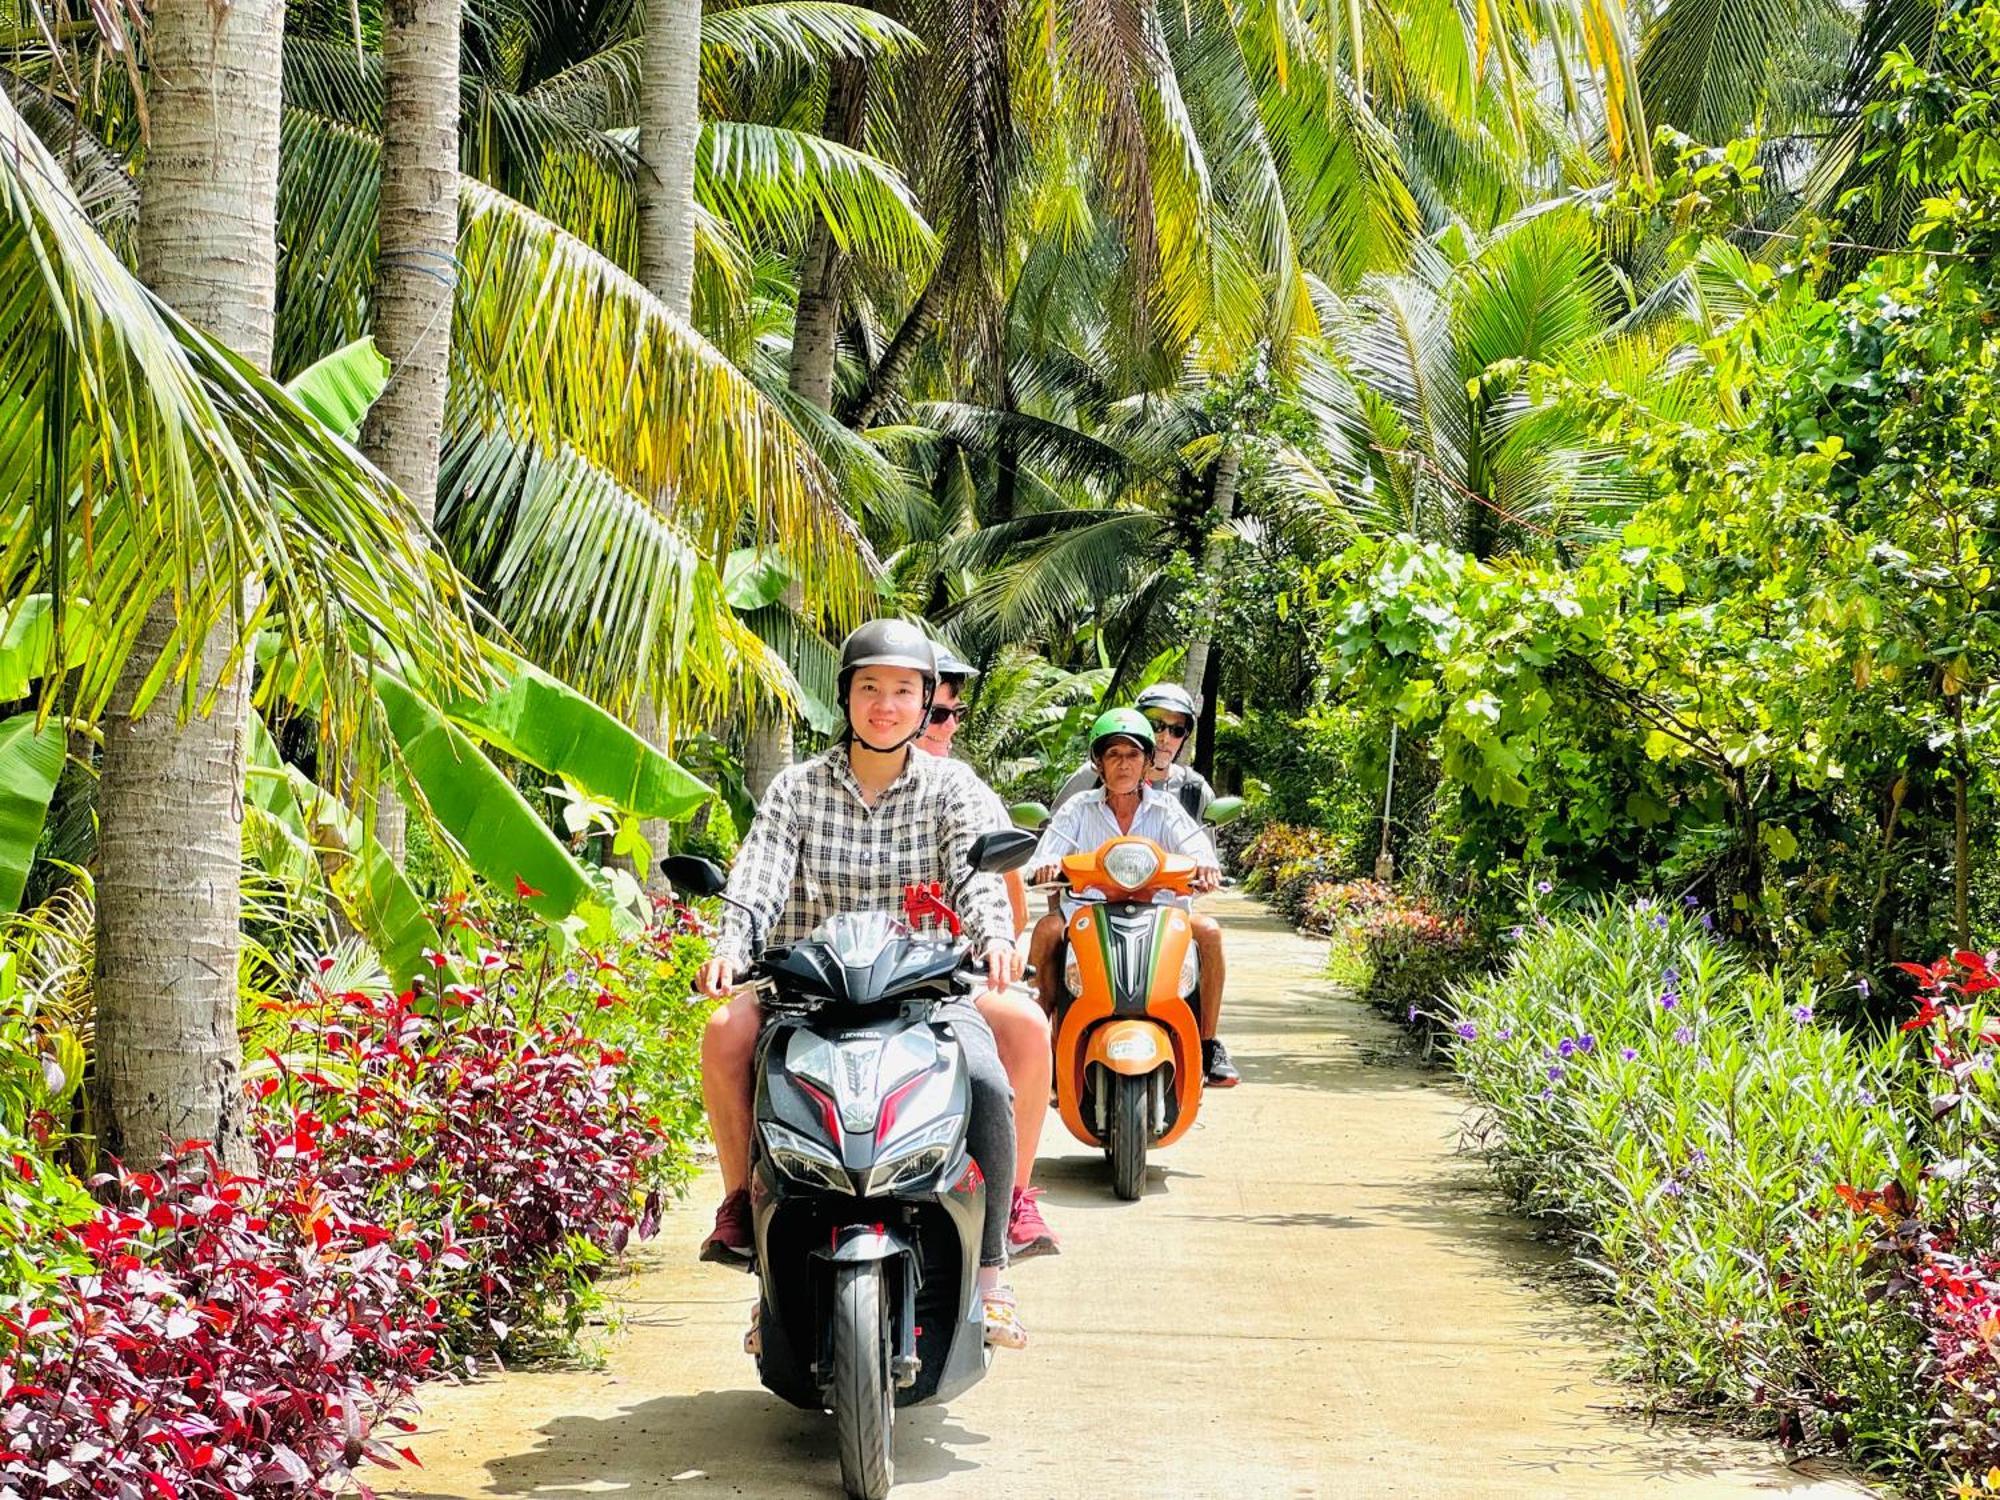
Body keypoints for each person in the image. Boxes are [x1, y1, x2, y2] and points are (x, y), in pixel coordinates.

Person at [689, 620, 1030, 1347]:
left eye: (904, 690)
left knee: (989, 1079)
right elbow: (757, 879)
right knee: (725, 1037)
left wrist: (994, 937)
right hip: (806, 993)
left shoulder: (951, 787)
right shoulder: (797, 789)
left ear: (926, 700)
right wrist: (729, 946)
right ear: (844, 697)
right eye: (869, 687)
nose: (886, 704)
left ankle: (994, 1270)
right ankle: (745, 1220)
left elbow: (978, 878)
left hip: (922, 996)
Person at [913, 646, 1059, 1260]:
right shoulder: (816, 789)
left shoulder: (963, 790)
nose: (946, 728)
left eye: (952, 714)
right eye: (937, 714)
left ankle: (1016, 1193)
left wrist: (993, 943)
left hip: (944, 979)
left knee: (1026, 1025)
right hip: (844, 983)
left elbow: (1003, 895)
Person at [1028, 708, 1240, 1088]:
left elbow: (1197, 848)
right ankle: (1030, 1045)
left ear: (1146, 764)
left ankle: (1208, 1045)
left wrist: (1206, 868)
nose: (1123, 765)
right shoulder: (1078, 808)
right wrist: (1045, 867)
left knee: (1209, 931)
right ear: (1099, 763)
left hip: (1161, 916)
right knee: (1046, 930)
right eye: (1113, 755)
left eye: (1132, 756)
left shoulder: (1167, 808)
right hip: (1088, 915)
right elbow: (1049, 850)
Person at [1051, 683, 1216, 820]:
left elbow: (1206, 856)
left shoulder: (1195, 791)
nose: (1165, 738)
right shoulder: (1093, 774)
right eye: (1156, 725)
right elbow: (1054, 835)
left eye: (1177, 730)